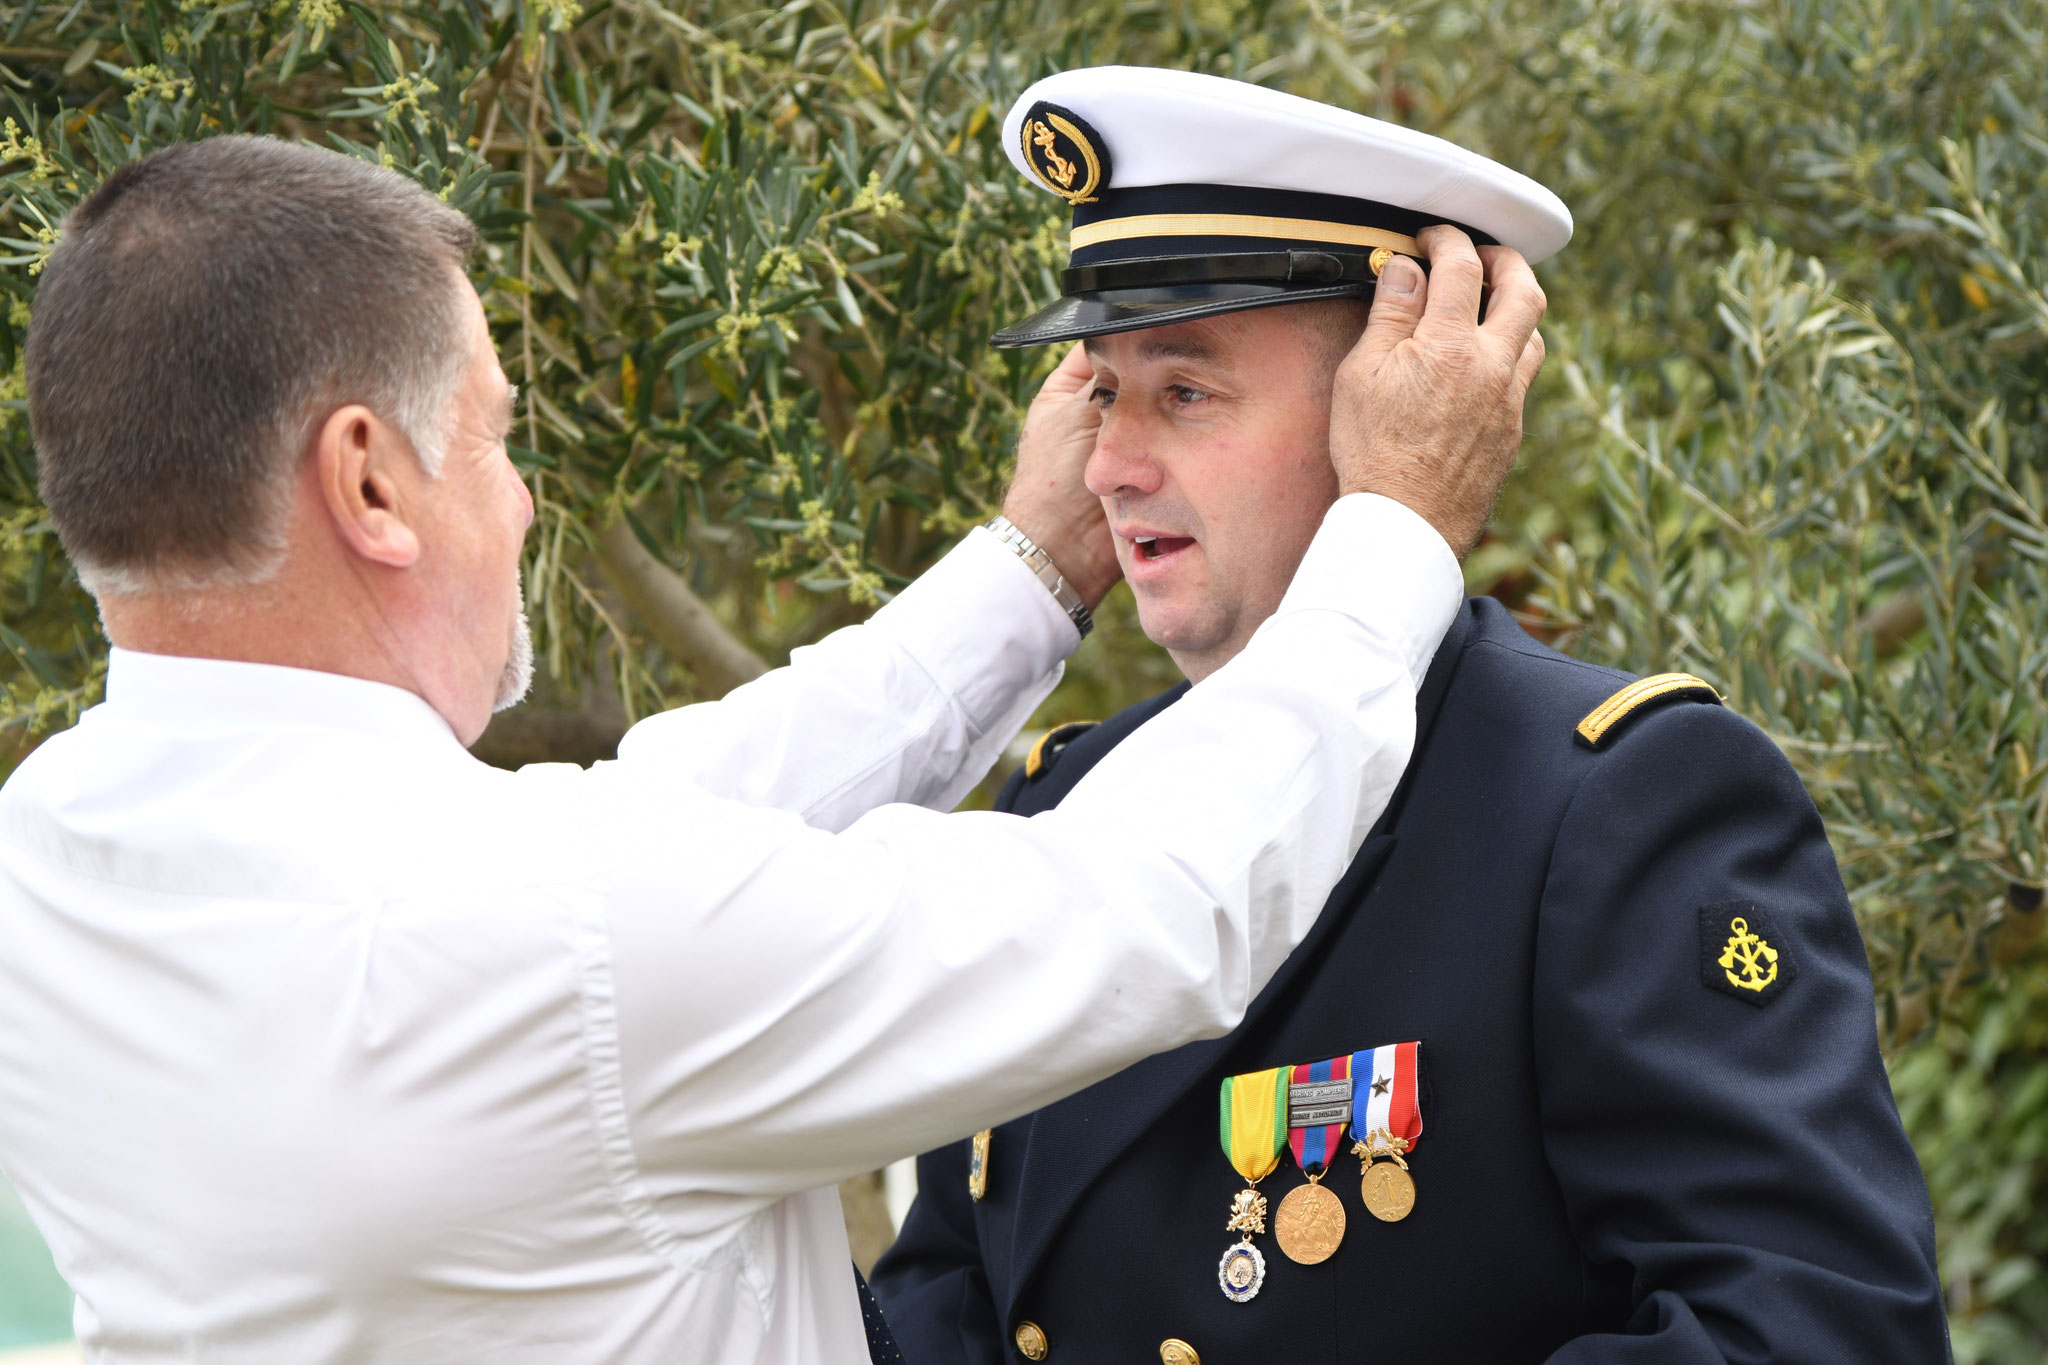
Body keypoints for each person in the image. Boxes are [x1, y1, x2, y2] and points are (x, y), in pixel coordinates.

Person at [0, 126, 1544, 1363]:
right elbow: (1156, 904)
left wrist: (1035, 568)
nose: (522, 498)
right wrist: (1395, 523)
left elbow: (652, 824)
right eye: (496, 434)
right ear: (369, 485)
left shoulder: (50, 848)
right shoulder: (560, 940)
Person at [870, 66, 1951, 1363]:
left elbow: (1815, 1332)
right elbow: (944, 1305)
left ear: (1388, 408)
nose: (1108, 466)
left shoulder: (1617, 804)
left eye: (1185, 392)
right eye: (1102, 392)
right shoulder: (1066, 801)